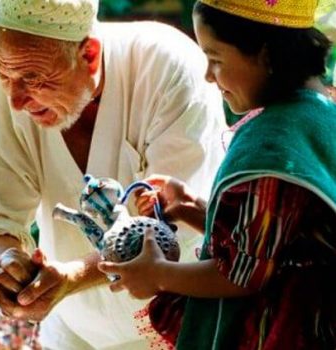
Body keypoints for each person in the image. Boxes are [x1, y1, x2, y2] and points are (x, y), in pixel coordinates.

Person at [0, 0, 227, 348]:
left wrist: (75, 276)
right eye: (3, 74)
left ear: (89, 54)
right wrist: (5, 267)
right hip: (74, 331)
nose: (16, 100)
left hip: (181, 321)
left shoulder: (167, 66)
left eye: (34, 78)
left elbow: (174, 228)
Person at [98, 0, 336, 349]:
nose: (208, 75)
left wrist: (158, 275)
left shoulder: (273, 146)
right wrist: (192, 206)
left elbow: (242, 275)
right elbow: (276, 237)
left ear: (267, 55)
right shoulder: (320, 114)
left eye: (216, 59)